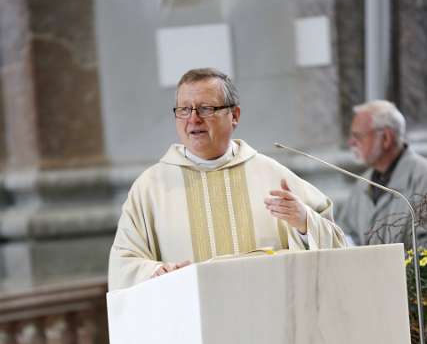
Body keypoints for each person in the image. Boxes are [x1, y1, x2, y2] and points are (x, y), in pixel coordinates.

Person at [109, 68, 346, 290]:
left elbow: (338, 248)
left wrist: (304, 223)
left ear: (234, 115)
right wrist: (158, 271)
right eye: (184, 109)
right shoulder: (150, 188)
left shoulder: (273, 176)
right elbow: (123, 263)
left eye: (206, 108)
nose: (193, 119)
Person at [337, 100, 427, 247]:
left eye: (358, 136)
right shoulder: (362, 183)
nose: (351, 143)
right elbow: (345, 234)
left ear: (386, 138)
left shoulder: (423, 178)